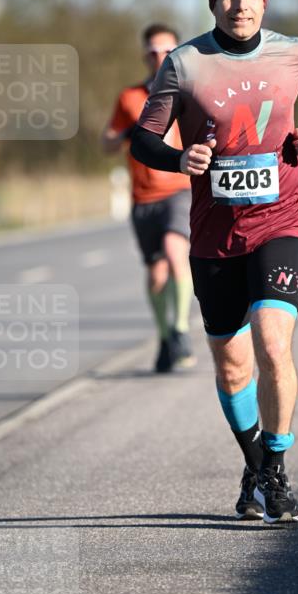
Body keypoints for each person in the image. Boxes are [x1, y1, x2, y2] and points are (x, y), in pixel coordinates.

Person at [130, 0, 298, 523]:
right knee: (231, 367)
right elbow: (143, 138)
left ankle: (277, 469)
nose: (239, 4)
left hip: (282, 220)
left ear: (263, 2)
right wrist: (179, 158)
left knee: (273, 343)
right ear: (213, 3)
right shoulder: (184, 63)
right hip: (215, 235)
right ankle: (256, 467)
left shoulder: (293, 53)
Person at [102, 24, 196, 373]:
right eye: (153, 52)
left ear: (177, 53)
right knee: (156, 275)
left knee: (175, 251)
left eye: (167, 51)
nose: (159, 58)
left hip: (179, 189)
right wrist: (126, 133)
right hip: (143, 198)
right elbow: (106, 143)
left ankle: (182, 329)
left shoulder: (189, 91)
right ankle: (165, 337)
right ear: (144, 55)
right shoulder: (129, 97)